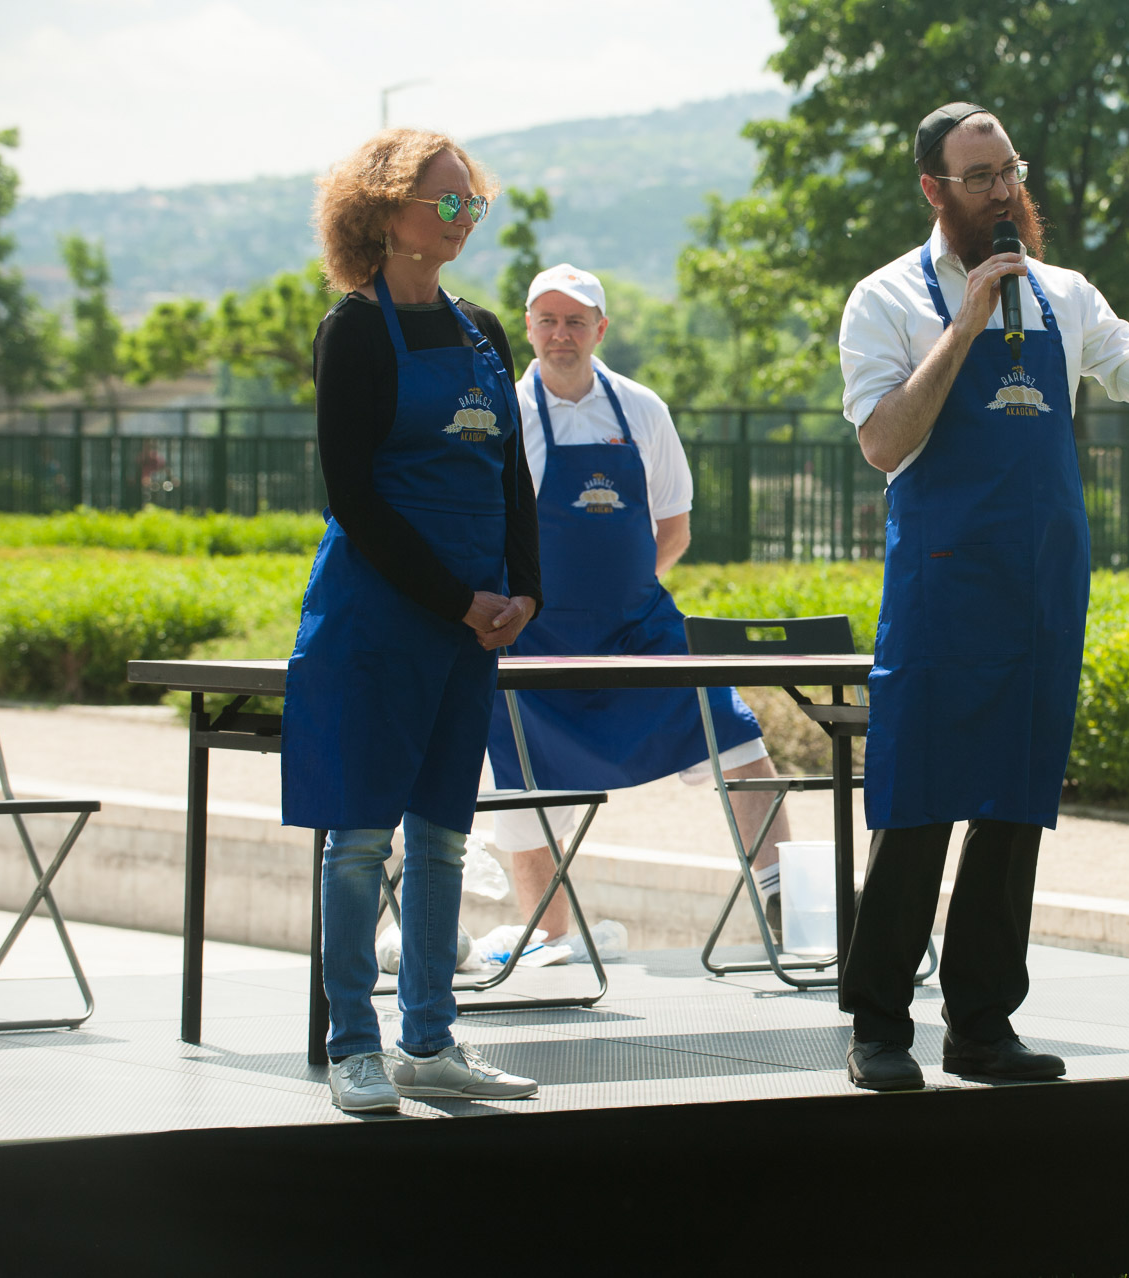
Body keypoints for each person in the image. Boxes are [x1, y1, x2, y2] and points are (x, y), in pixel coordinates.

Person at [835, 103, 1129, 1091]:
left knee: (1013, 809)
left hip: (1040, 593)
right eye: (980, 176)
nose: (1005, 190)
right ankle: (879, 1027)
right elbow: (884, 443)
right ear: (934, 190)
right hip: (939, 591)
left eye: (1010, 170)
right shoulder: (884, 301)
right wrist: (964, 326)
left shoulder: (1064, 295)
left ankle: (983, 1026)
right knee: (916, 807)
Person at [283, 128, 544, 1114]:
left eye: (470, 202)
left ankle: (429, 1043)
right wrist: (456, 598)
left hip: (470, 626)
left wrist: (526, 590)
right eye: (445, 201)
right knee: (358, 841)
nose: (463, 217)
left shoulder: (483, 330)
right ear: (385, 210)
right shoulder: (352, 330)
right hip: (377, 621)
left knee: (441, 837)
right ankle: (355, 1044)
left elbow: (509, 475)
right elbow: (354, 494)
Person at [483, 265, 791, 956]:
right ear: (527, 327)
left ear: (601, 328)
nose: (561, 334)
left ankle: (789, 905)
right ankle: (549, 936)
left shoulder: (641, 408)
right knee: (522, 788)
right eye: (547, 320)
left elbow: (674, 529)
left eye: (576, 320)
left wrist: (619, 593)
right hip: (537, 641)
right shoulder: (505, 413)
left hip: (638, 633)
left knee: (737, 740)